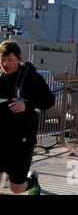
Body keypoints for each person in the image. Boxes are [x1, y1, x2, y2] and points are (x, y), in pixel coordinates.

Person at [0, 40, 55, 195]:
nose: (5, 64)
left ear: (19, 58)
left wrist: (27, 106)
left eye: (9, 60)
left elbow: (49, 101)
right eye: (2, 60)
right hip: (1, 137)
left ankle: (32, 181)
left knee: (16, 188)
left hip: (22, 140)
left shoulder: (31, 77)